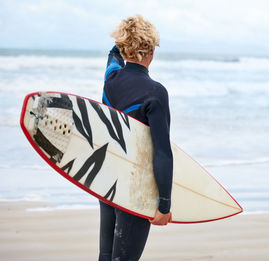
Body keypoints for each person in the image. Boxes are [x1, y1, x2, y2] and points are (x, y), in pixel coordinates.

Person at [98, 15, 173, 261]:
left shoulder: (111, 79)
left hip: (107, 184)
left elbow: (113, 54)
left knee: (106, 257)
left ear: (123, 46)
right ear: (152, 51)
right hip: (135, 189)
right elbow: (162, 152)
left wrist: (126, 33)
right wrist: (164, 204)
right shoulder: (155, 93)